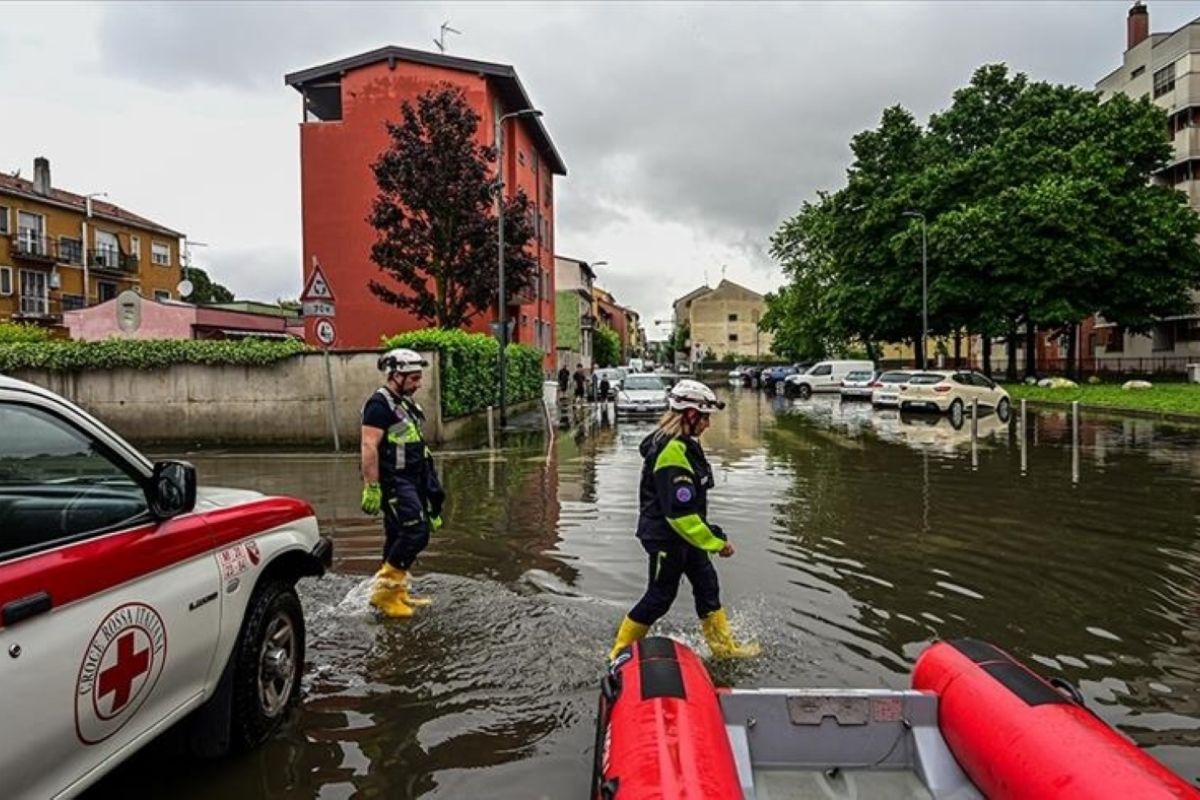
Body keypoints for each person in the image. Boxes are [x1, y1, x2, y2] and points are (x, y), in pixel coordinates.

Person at [607, 379, 759, 661]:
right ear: (689, 415)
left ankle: (725, 651)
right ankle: (618, 654)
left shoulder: (687, 444)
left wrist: (707, 536)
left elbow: (690, 511)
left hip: (688, 536)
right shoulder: (672, 452)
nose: (708, 425)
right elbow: (680, 514)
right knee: (660, 597)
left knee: (707, 587)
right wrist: (716, 542)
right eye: (704, 418)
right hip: (667, 537)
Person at [360, 347, 446, 618]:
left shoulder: (404, 403)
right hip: (395, 481)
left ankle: (396, 592)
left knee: (397, 535)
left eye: (419, 378)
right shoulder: (379, 405)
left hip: (413, 479)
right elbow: (368, 445)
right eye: (414, 379)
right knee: (415, 533)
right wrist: (372, 486)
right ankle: (384, 593)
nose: (419, 384)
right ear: (395, 375)